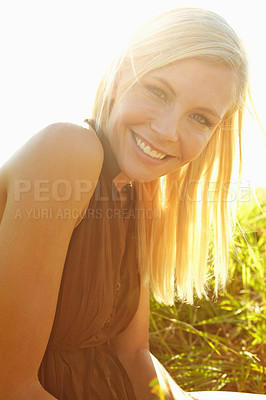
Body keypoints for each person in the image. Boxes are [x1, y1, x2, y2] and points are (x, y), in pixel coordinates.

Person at [0, 7, 264, 400]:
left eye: (200, 118)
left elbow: (133, 355)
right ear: (122, 73)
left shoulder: (138, 191)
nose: (166, 131)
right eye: (158, 91)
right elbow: (10, 385)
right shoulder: (67, 150)